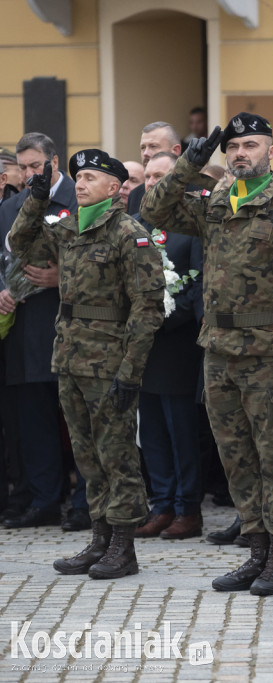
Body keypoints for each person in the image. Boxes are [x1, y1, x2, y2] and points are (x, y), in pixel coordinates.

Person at [141, 112, 273, 596]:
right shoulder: (214, 201)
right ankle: (257, 551)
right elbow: (154, 210)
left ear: (271, 150)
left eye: (251, 145)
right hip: (219, 350)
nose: (241, 153)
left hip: (269, 352)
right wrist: (188, 162)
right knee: (236, 458)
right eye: (234, 147)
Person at [10, 149, 165, 578]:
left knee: (117, 455)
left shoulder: (128, 233)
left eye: (91, 178)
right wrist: (36, 200)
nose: (80, 184)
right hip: (71, 357)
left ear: (114, 189)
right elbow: (22, 244)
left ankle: (123, 545)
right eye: (77, 177)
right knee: (87, 454)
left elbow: (148, 308)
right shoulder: (69, 227)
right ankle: (99, 538)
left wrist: (131, 370)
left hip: (110, 361)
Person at [0, 132, 88, 532]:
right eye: (23, 168)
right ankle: (45, 499)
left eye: (36, 166)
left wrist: (61, 278)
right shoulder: (13, 206)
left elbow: (98, 260)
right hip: (24, 328)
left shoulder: (79, 197)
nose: (30, 173)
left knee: (79, 419)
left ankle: (87, 502)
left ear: (55, 162)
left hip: (70, 322)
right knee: (34, 418)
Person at [134, 151, 205, 541]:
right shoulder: (139, 223)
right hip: (146, 346)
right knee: (154, 430)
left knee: (180, 431)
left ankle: (187, 508)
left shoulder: (190, 224)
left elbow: (196, 285)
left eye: (159, 175)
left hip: (178, 344)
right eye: (147, 176)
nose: (151, 182)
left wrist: (163, 316)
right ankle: (161, 504)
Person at [127, 122, 183, 215]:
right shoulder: (135, 195)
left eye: (153, 146)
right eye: (143, 147)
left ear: (175, 150)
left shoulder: (197, 190)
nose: (145, 153)